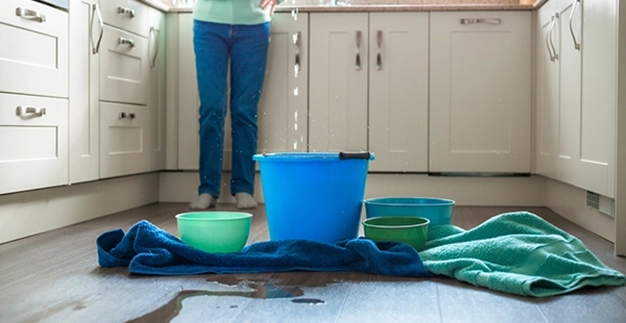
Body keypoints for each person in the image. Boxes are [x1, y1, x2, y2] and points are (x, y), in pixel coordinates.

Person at [189, 0, 283, 210]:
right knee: (211, 108)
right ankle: (207, 189)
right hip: (207, 23)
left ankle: (244, 188)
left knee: (245, 110)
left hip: (254, 25)